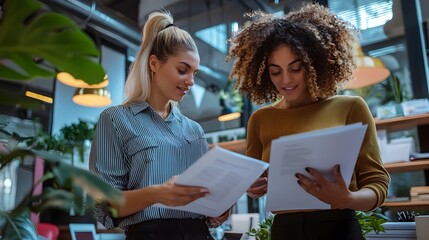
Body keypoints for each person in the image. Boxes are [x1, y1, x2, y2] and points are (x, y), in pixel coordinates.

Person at [226, 3, 390, 240]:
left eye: (296, 68)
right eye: (275, 71)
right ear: (264, 73)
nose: (286, 80)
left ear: (315, 63)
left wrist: (348, 199)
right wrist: (253, 188)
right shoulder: (260, 119)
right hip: (284, 229)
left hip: (339, 226)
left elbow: (377, 183)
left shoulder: (350, 107)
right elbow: (255, 184)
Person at [89, 11, 228, 240]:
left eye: (194, 73)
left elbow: (205, 197)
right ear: (154, 63)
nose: (191, 81)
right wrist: (156, 194)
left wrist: (217, 210)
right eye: (182, 70)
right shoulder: (115, 119)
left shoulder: (195, 131)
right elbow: (106, 205)